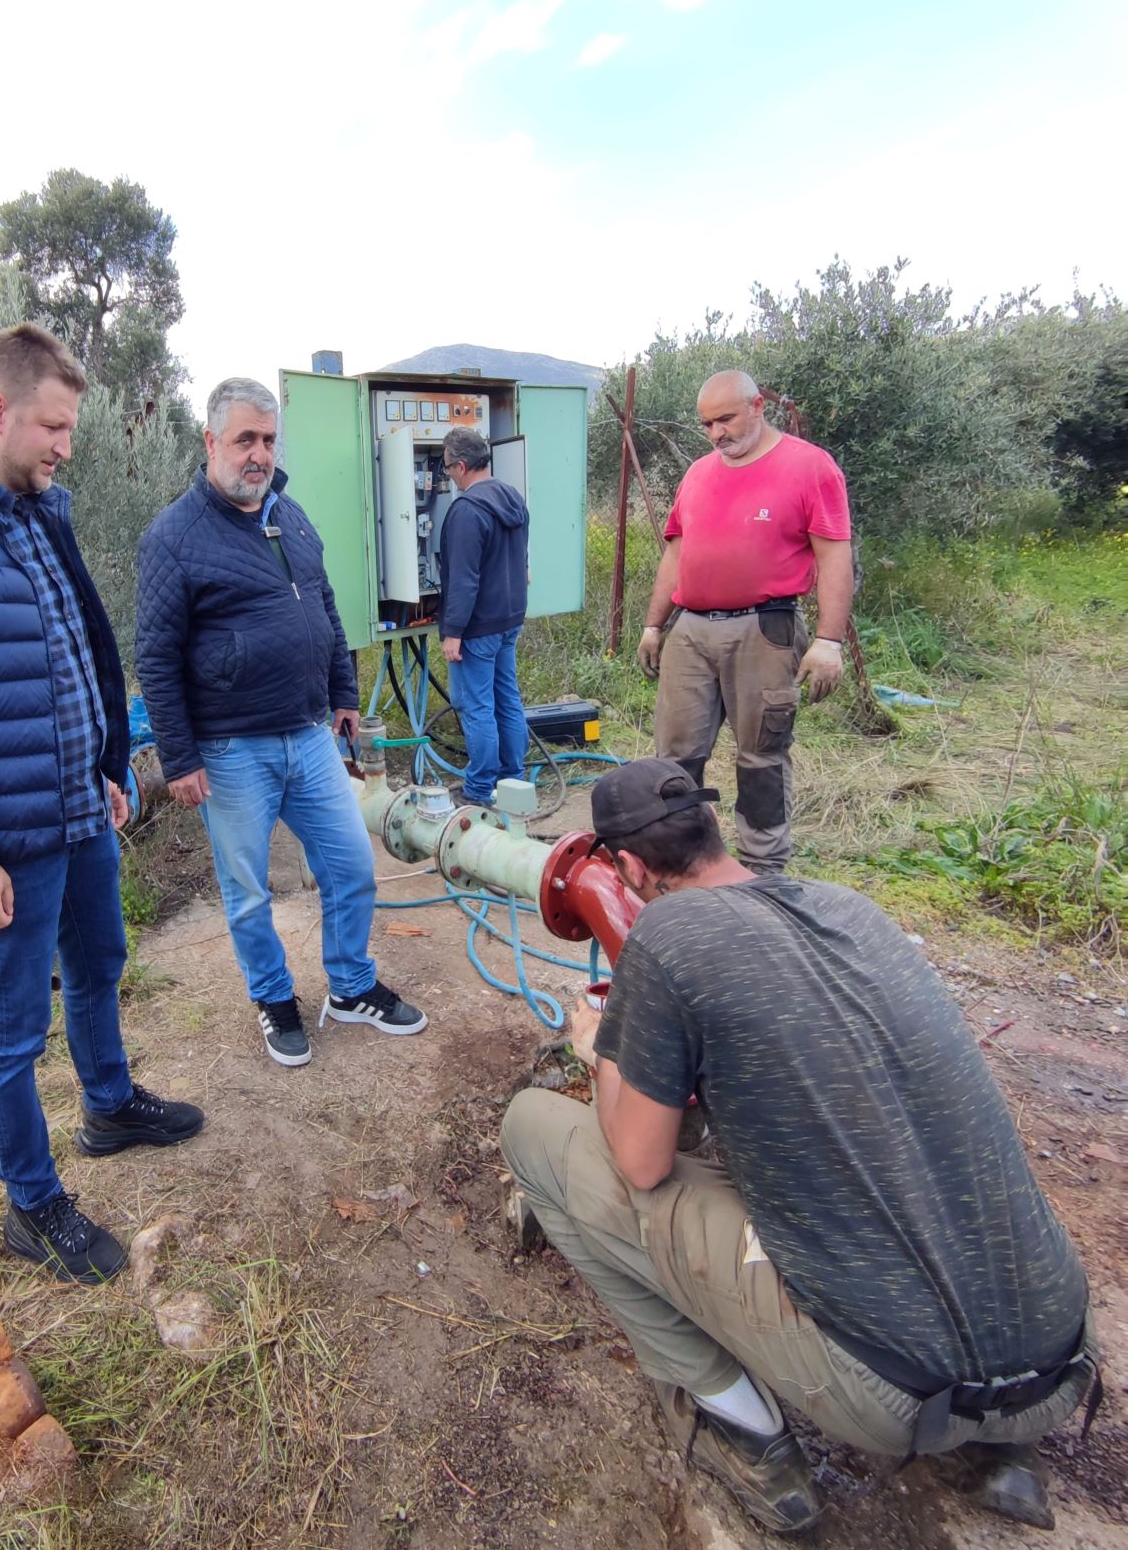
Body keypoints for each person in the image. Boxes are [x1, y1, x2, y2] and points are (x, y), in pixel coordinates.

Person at [502, 759, 1097, 1536]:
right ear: (712, 829)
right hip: (1059, 1352)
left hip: (892, 1396)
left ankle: (743, 1429)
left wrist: (601, 1048)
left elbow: (642, 1160)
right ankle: (1002, 1449)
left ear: (631, 869)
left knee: (534, 1130)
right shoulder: (849, 907)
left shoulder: (667, 934)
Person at [0, 325, 204, 1286]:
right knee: (14, 1026)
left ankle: (108, 1103)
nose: (67, 444)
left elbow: (69, 654)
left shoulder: (34, 510)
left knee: (99, 964)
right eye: (54, 426)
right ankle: (31, 1200)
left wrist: (103, 764)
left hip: (76, 809)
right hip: (5, 840)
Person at [136, 377, 427, 1067]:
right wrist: (179, 758)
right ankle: (272, 997)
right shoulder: (173, 537)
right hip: (230, 747)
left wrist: (344, 692)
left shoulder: (289, 514)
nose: (259, 454)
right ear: (211, 442)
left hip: (308, 733)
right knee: (247, 892)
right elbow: (155, 656)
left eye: (268, 440)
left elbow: (324, 606)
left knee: (352, 864)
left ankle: (351, 985)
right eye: (245, 439)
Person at [637, 370, 854, 871]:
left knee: (761, 757)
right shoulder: (698, 473)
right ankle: (686, 862)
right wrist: (653, 625)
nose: (716, 433)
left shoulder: (809, 466)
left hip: (764, 629)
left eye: (726, 419)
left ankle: (763, 869)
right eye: (707, 424)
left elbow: (834, 555)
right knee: (675, 758)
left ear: (758, 406)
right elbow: (676, 554)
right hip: (690, 630)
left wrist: (829, 641)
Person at [437, 427, 530, 805]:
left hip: (477, 627)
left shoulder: (467, 511)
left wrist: (453, 632)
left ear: (461, 466)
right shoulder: (512, 497)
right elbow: (522, 559)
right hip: (509, 619)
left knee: (476, 707)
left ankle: (478, 789)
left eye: (447, 468)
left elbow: (464, 580)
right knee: (507, 699)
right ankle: (514, 781)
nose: (448, 476)